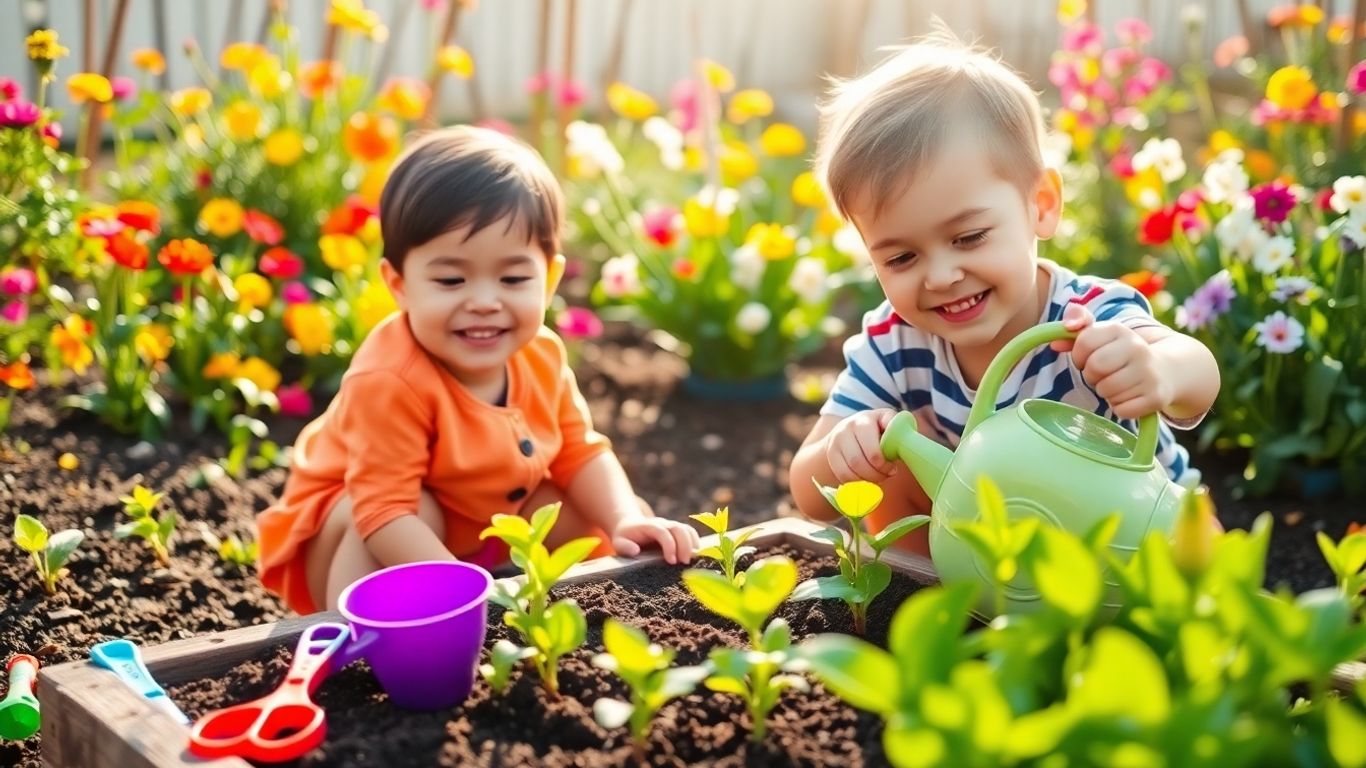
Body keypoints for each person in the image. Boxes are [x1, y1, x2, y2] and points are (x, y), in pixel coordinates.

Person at [789, 33, 1220, 555]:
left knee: (1199, 564)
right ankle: (929, 590)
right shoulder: (893, 342)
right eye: (900, 258)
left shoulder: (1086, 318)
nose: (941, 276)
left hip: (1132, 538)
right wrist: (845, 449)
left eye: (969, 237)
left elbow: (1199, 374)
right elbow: (807, 491)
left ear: (1041, 205)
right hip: (989, 552)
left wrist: (1157, 371)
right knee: (891, 458)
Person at [258, 126, 699, 614]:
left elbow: (580, 451)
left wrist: (623, 517)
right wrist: (467, 595)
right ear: (399, 284)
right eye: (451, 280)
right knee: (414, 511)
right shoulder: (389, 378)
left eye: (513, 278)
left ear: (549, 279)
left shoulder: (541, 355)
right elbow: (383, 510)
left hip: (475, 522)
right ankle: (363, 634)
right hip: (356, 532)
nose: (485, 302)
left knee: (580, 511)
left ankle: (591, 613)